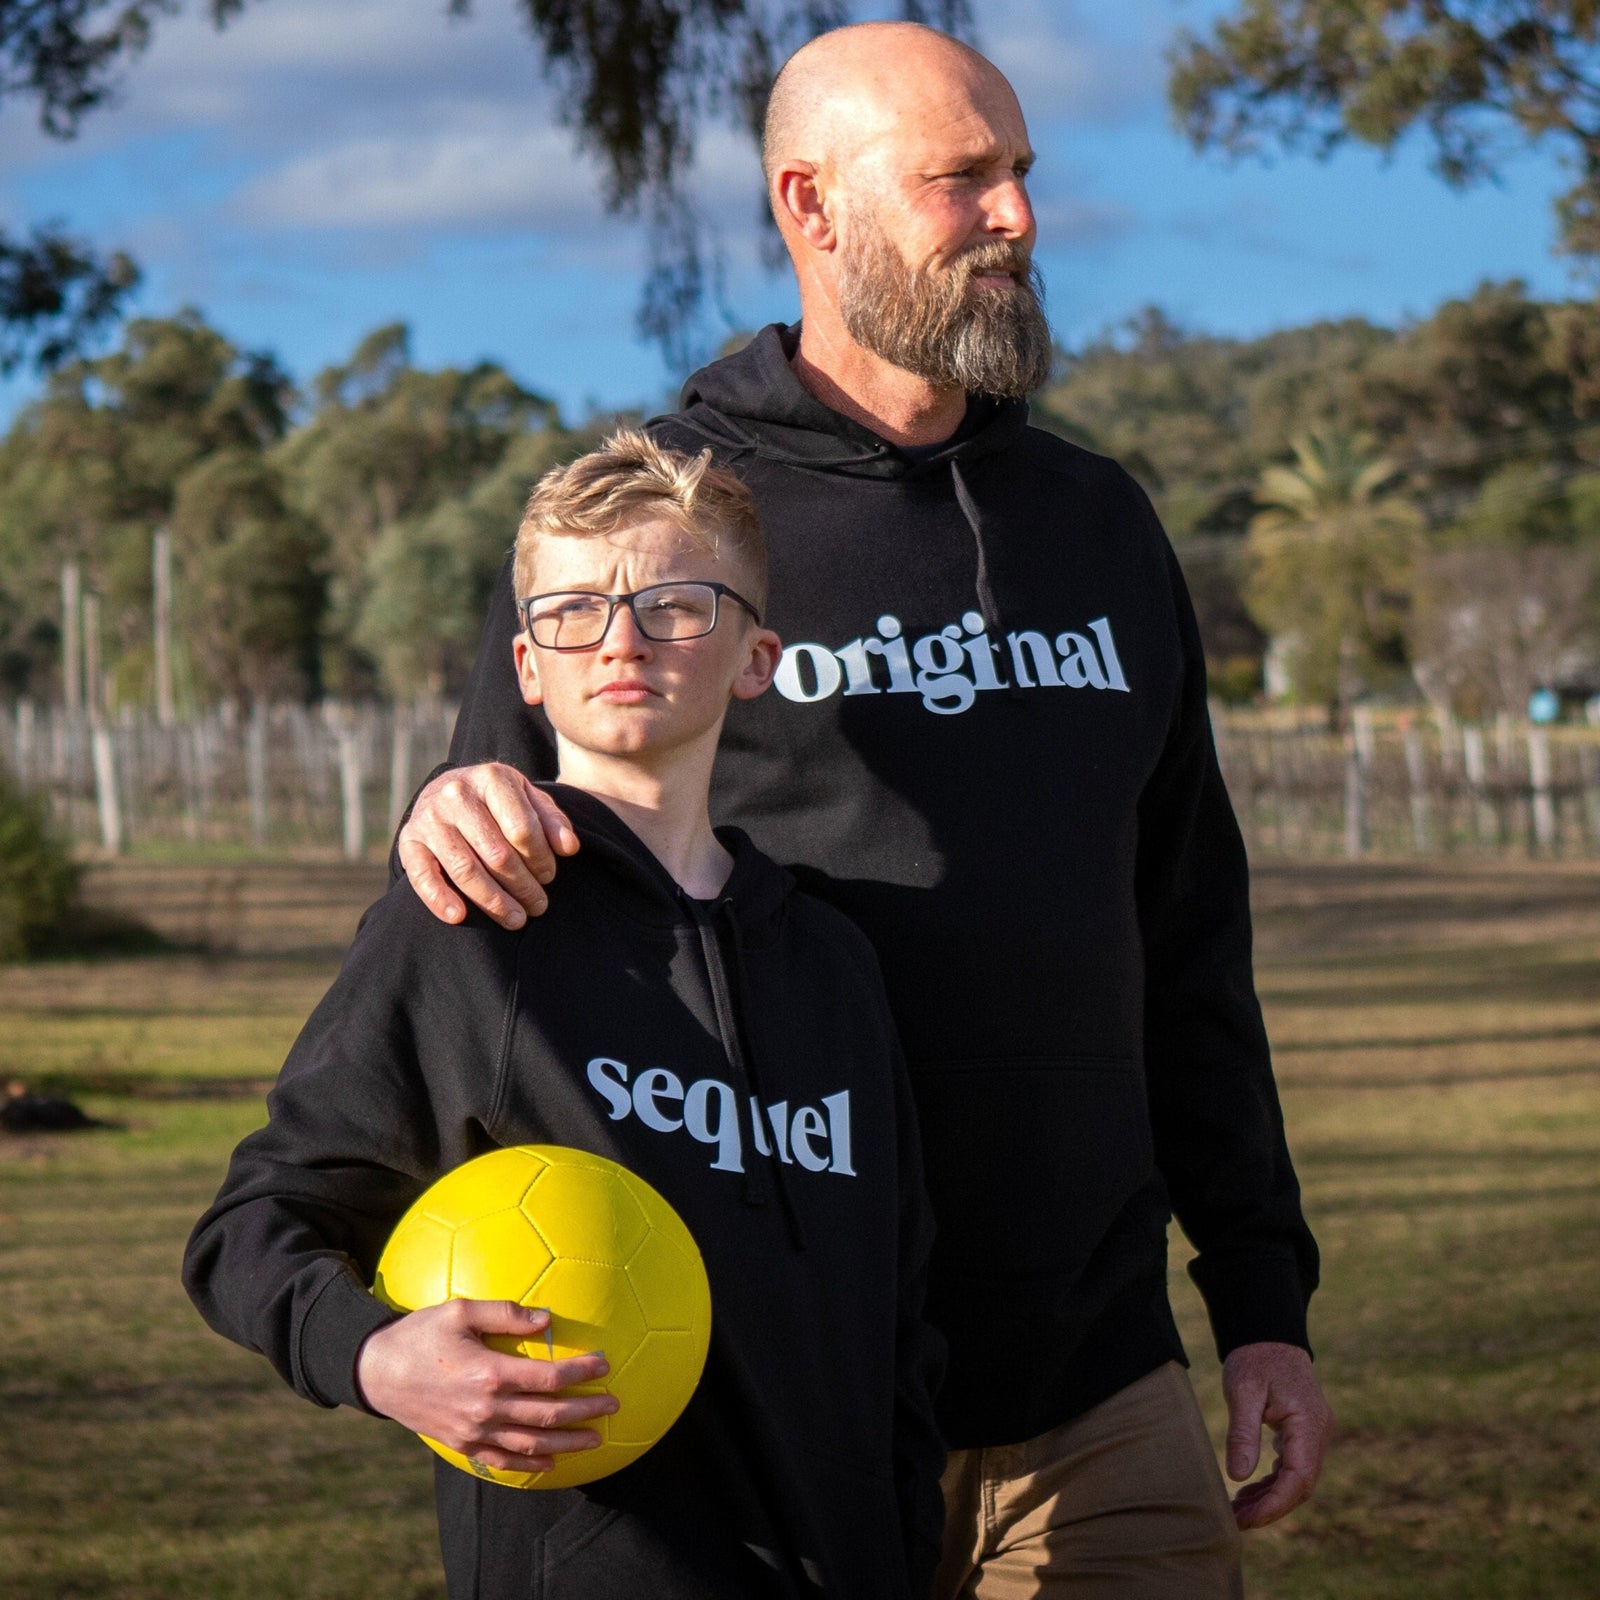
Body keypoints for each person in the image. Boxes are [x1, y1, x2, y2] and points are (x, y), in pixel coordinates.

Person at [398, 22, 1333, 1598]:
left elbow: (1187, 941)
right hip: (770, 1400)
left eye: (1022, 174)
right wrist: (451, 811)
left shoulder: (1097, 526)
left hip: (1093, 1389)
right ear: (811, 209)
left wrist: (1259, 1298)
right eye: (962, 180)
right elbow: (494, 874)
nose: (1019, 218)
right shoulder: (671, 516)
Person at [184, 432, 947, 1600]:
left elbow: (897, 1334)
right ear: (527, 667)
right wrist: (377, 1352)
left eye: (678, 604)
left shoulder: (835, 965)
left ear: (757, 657)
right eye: (574, 611)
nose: (622, 640)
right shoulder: (471, 926)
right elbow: (249, 1225)